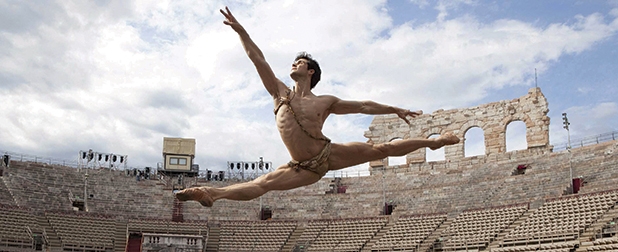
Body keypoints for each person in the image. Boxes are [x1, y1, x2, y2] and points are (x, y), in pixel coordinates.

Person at [176, 7, 460, 207]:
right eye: (293, 62)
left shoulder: (325, 102)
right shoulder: (279, 93)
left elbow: (362, 105)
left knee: (380, 150)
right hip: (301, 167)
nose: (293, 64)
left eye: (299, 63)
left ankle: (433, 142)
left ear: (311, 72)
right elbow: (258, 60)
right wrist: (242, 32)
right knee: (263, 184)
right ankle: (212, 193)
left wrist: (394, 108)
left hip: (328, 155)